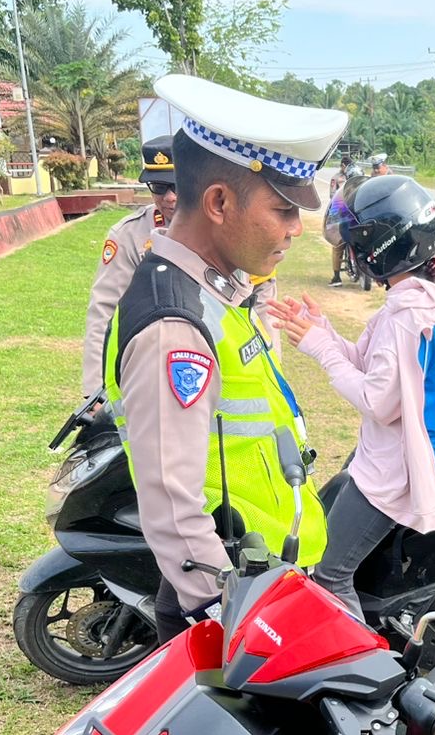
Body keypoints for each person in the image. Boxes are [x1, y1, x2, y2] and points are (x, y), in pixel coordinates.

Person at [102, 73, 348, 643]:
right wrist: (234, 620)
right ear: (218, 202)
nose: (296, 229)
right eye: (283, 210)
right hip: (236, 599)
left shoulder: (214, 292)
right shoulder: (175, 327)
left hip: (265, 574)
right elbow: (173, 505)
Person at [266, 175, 435, 613]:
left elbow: (378, 401)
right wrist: (322, 331)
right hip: (412, 446)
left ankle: (369, 658)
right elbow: (372, 366)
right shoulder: (418, 299)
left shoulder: (407, 316)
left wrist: (322, 349)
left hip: (417, 458)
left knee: (330, 574)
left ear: (378, 248)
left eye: (357, 243)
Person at [81, 135, 178, 399]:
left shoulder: (218, 227)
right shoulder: (129, 235)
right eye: (159, 187)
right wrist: (96, 390)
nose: (170, 197)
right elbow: (104, 311)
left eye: (177, 185)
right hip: (149, 367)